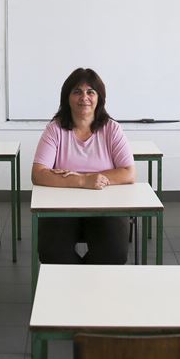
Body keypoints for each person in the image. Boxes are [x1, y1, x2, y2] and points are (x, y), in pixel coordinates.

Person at [32, 68, 136, 264]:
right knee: (51, 251)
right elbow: (38, 174)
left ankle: (89, 283)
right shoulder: (55, 129)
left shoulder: (111, 129)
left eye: (91, 92)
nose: (84, 97)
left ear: (99, 98)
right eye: (77, 91)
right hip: (62, 206)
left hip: (105, 205)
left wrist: (84, 178)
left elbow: (129, 173)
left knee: (114, 252)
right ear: (67, 97)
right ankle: (73, 283)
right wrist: (83, 180)